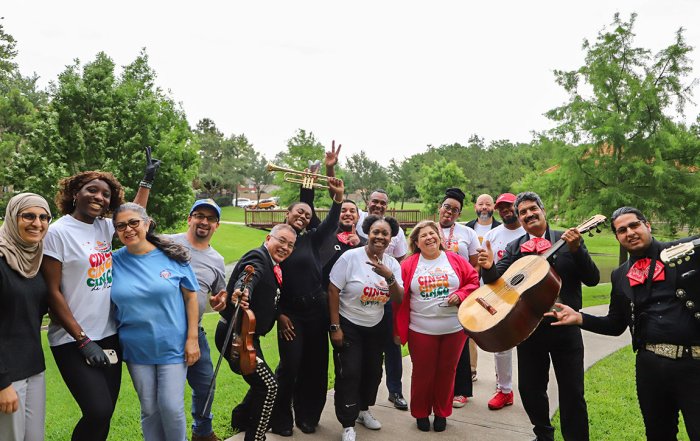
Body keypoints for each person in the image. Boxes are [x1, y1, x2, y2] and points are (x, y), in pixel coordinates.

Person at [545, 207, 700, 440]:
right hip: (649, 367)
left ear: (647, 225)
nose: (630, 232)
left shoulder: (684, 251)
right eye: (622, 230)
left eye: (634, 225)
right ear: (617, 237)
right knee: (658, 434)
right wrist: (579, 318)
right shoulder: (620, 275)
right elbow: (616, 324)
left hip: (693, 364)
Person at [42, 151, 159, 441]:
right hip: (72, 339)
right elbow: (52, 291)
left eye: (106, 194)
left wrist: (146, 181)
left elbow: (135, 217)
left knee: (106, 413)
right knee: (96, 410)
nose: (99, 197)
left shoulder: (104, 228)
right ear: (75, 193)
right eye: (91, 190)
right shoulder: (58, 232)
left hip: (109, 335)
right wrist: (82, 340)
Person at [479, 191, 599, 441]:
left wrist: (577, 250)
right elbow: (498, 284)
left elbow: (593, 279)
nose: (529, 214)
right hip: (529, 328)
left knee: (572, 392)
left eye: (533, 209)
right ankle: (543, 434)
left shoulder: (568, 239)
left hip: (565, 327)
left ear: (543, 211)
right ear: (519, 219)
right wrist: (488, 267)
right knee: (530, 389)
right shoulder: (514, 247)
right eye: (523, 212)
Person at [110, 203, 200, 441]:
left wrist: (192, 339)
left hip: (173, 346)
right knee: (149, 410)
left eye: (133, 223)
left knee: (171, 407)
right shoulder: (111, 262)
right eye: (120, 226)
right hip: (136, 348)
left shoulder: (173, 257)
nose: (128, 229)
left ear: (147, 224)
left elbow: (191, 297)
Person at [271, 161, 344, 436]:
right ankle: (280, 417)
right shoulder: (275, 242)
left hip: (316, 311)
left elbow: (331, 222)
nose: (302, 216)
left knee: (315, 367)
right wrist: (279, 314)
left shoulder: (312, 238)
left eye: (307, 213)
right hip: (290, 314)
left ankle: (308, 415)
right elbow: (269, 284)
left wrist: (337, 198)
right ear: (287, 214)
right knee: (289, 367)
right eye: (298, 212)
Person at [395, 220, 479, 432]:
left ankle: (442, 413)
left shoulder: (455, 260)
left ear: (439, 238)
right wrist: (397, 329)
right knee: (423, 373)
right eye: (424, 235)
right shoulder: (409, 264)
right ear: (416, 241)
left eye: (433, 233)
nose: (429, 237)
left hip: (453, 330)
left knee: (447, 372)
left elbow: (473, 280)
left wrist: (460, 294)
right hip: (421, 330)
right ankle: (421, 413)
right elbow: (399, 298)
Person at [215, 224, 297, 441]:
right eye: (281, 241)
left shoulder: (274, 264)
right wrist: (243, 291)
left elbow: (269, 295)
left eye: (290, 245)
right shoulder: (258, 257)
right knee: (269, 386)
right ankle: (255, 437)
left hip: (249, 337)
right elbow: (249, 275)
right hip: (236, 337)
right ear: (269, 238)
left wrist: (278, 313)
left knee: (262, 384)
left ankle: (242, 418)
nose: (285, 247)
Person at [328, 215, 404, 441]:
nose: (380, 237)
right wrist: (335, 326)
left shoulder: (392, 264)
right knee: (349, 372)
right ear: (367, 234)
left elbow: (398, 298)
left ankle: (363, 410)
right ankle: (347, 424)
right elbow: (332, 290)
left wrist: (389, 277)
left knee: (372, 372)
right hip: (349, 323)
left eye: (385, 234)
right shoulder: (350, 257)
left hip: (375, 325)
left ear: (391, 239)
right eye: (376, 232)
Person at [169, 199, 228, 441]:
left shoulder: (217, 260)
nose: (204, 221)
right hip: (165, 332)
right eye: (199, 215)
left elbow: (218, 293)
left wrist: (220, 300)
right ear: (189, 218)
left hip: (196, 330)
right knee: (168, 395)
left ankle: (202, 432)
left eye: (210, 218)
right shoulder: (167, 242)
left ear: (217, 225)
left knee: (206, 384)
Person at [0, 194, 52, 441]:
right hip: (7, 374)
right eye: (28, 216)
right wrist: (2, 383)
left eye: (44, 217)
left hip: (34, 366)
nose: (37, 223)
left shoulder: (35, 260)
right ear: (12, 218)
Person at [357, 190, 409, 411]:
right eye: (375, 201)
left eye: (383, 203)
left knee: (392, 345)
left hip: (386, 295)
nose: (378, 205)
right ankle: (360, 395)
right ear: (368, 203)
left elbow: (399, 260)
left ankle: (395, 391)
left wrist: (391, 279)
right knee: (364, 348)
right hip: (360, 294)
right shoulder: (357, 220)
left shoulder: (395, 231)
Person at [481, 193, 524, 411]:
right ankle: (504, 390)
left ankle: (531, 388)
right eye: (501, 208)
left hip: (527, 294)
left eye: (509, 206)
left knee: (530, 345)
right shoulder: (493, 234)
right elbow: (488, 267)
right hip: (501, 295)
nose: (506, 210)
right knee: (502, 346)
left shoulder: (528, 230)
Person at [437, 188, 480, 407]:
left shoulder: (467, 233)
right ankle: (437, 387)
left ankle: (461, 390)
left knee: (460, 341)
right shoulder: (427, 230)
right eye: (447, 207)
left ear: (459, 214)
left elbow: (476, 263)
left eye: (455, 210)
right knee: (435, 339)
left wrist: (467, 287)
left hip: (461, 294)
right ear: (439, 207)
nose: (450, 212)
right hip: (432, 292)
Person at [464, 193, 501, 385]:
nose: (484, 207)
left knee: (497, 330)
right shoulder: (467, 229)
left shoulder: (500, 229)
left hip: (496, 285)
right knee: (471, 327)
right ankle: (471, 369)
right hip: (472, 285)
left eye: (488, 204)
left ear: (493, 207)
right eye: (481, 204)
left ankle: (501, 377)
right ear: (475, 206)